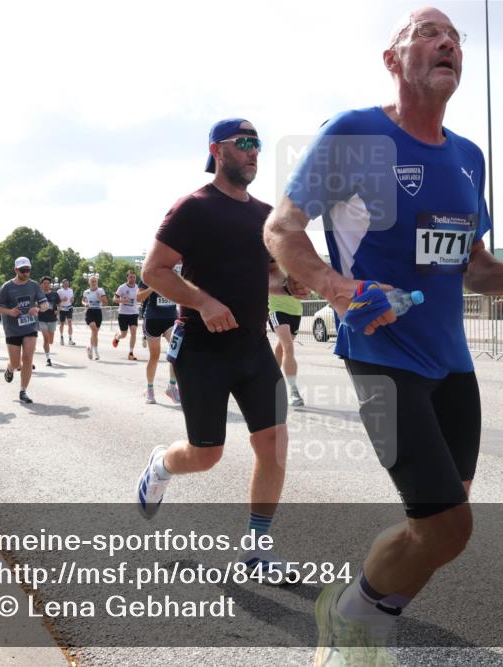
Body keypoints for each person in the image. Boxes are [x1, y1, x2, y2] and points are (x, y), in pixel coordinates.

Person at [262, 8, 503, 663]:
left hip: (452, 364)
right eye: (427, 32)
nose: (447, 41)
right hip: (380, 355)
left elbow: (470, 265)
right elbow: (281, 229)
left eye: (454, 36)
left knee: (443, 529)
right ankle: (352, 619)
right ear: (393, 61)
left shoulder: (468, 158)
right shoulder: (355, 134)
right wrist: (341, 290)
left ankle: (367, 609)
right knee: (448, 523)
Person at [138, 118, 310, 580]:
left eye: (258, 144)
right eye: (245, 143)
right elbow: (154, 272)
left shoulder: (264, 215)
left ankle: (256, 550)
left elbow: (269, 276)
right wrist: (203, 301)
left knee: (273, 443)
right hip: (201, 350)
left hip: (253, 347)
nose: (255, 152)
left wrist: (289, 280)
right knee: (205, 454)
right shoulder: (193, 208)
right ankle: (161, 464)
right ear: (218, 150)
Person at [0, 257, 49, 404]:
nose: (26, 273)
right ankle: (10, 368)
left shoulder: (34, 286)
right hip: (12, 329)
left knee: (27, 359)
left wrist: (37, 308)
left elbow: (45, 305)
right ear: (16, 270)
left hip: (30, 326)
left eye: (28, 270)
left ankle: (23, 390)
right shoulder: (6, 287)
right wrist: (10, 311)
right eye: (23, 270)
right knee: (16, 362)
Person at [137, 275, 180, 404]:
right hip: (153, 319)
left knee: (176, 352)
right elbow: (139, 297)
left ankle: (171, 387)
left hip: (170, 319)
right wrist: (153, 287)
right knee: (154, 356)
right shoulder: (148, 274)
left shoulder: (176, 273)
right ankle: (150, 389)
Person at [268, 290, 305, 407]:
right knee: (288, 347)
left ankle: (270, 380)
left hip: (296, 311)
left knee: (281, 348)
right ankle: (294, 391)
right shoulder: (272, 270)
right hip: (277, 309)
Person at [112, 270, 141, 360]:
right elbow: (114, 299)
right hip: (123, 313)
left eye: (134, 277)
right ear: (127, 277)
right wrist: (122, 301)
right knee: (124, 334)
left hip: (134, 313)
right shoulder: (122, 287)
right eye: (131, 277)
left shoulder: (138, 287)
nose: (132, 279)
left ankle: (131, 353)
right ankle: (117, 337)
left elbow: (140, 298)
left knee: (133, 332)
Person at [81, 275, 107, 360]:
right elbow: (83, 301)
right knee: (94, 330)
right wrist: (85, 304)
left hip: (98, 312)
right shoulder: (86, 292)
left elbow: (106, 303)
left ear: (97, 282)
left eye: (95, 281)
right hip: (89, 312)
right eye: (92, 281)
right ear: (89, 282)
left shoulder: (100, 290)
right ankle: (96, 352)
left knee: (94, 333)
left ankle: (90, 348)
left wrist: (100, 298)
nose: (94, 283)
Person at [37, 276, 59, 366]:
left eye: (48, 283)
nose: (46, 285)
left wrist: (58, 310)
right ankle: (48, 358)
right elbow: (34, 305)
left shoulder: (54, 294)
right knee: (46, 339)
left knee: (50, 341)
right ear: (41, 284)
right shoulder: (38, 295)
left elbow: (59, 304)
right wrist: (38, 308)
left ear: (50, 285)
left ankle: (48, 351)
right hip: (42, 319)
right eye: (44, 283)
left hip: (52, 319)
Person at [57, 278, 76, 345]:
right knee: (62, 324)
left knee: (70, 323)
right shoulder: (59, 291)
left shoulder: (71, 290)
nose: (67, 284)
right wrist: (62, 299)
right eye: (65, 283)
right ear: (63, 284)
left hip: (69, 307)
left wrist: (72, 299)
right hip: (62, 308)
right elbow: (57, 301)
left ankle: (70, 339)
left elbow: (72, 298)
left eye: (67, 283)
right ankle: (61, 337)